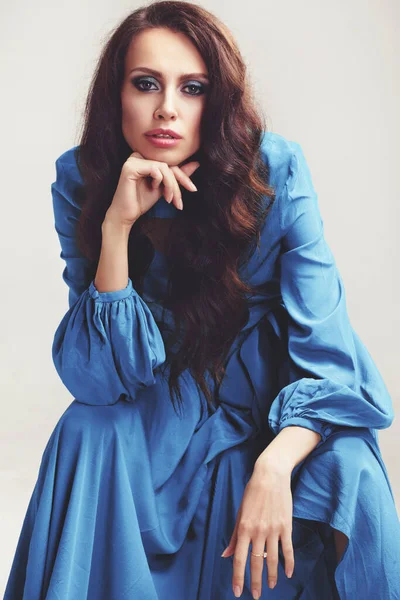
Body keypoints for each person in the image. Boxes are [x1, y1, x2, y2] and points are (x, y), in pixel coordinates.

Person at [4, 2, 400, 599]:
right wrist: (117, 227)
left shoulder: (276, 171)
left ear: (216, 103)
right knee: (89, 426)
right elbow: (98, 379)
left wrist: (274, 465)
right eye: (146, 84)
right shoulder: (84, 179)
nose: (167, 107)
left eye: (192, 88)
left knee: (351, 472)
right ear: (115, 96)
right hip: (159, 418)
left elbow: (331, 357)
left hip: (270, 415)